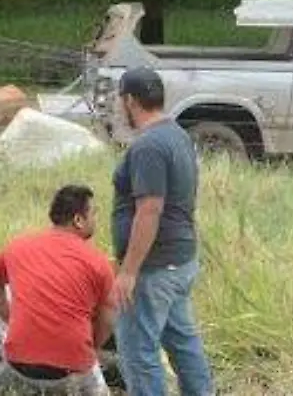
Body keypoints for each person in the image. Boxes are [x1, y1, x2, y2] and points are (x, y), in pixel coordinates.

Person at [110, 67, 214, 396]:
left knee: (138, 353)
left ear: (129, 100)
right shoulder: (177, 135)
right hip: (180, 260)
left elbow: (150, 209)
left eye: (119, 101)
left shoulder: (149, 147)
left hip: (153, 267)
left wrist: (128, 271)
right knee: (182, 342)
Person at [0, 185, 116, 395]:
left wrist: (10, 317)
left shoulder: (18, 246)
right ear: (78, 220)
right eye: (93, 213)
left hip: (19, 363)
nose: (95, 220)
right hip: (70, 369)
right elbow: (107, 319)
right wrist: (92, 347)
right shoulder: (97, 261)